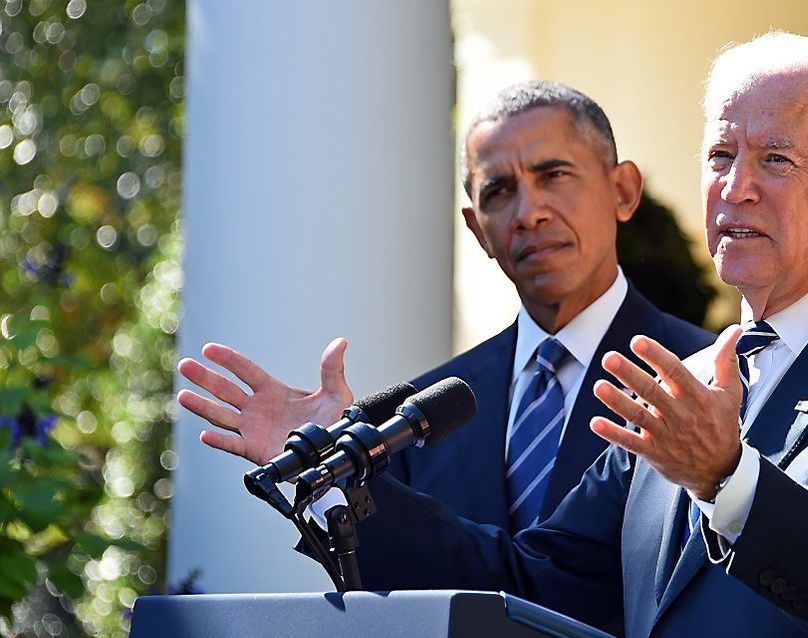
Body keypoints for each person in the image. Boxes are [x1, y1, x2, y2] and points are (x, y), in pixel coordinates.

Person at [330, 33, 808, 638]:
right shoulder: (679, 385)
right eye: (720, 154)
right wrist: (340, 483)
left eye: (776, 159)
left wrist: (731, 481)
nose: (735, 188)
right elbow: (532, 582)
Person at [177, 81, 713, 533]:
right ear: (477, 229)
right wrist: (330, 468)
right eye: (499, 191)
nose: (529, 213)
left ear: (623, 191)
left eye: (553, 176)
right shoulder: (421, 415)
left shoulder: (709, 378)